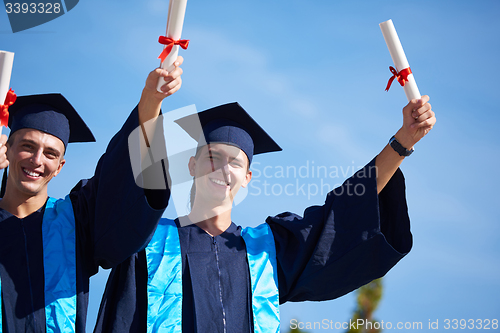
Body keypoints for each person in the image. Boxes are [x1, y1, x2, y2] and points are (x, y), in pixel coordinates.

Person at [94, 95, 436, 332]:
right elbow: (123, 190)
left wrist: (402, 142)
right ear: (192, 165)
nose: (224, 170)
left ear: (247, 178)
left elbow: (341, 215)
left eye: (236, 162)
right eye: (213, 157)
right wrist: (151, 101)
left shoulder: (265, 252)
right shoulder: (146, 241)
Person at [0, 57, 184, 332]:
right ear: (7, 150)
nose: (38, 160)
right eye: (27, 146)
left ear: (60, 167)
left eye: (51, 153)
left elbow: (119, 177)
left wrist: (151, 100)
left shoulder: (77, 223)